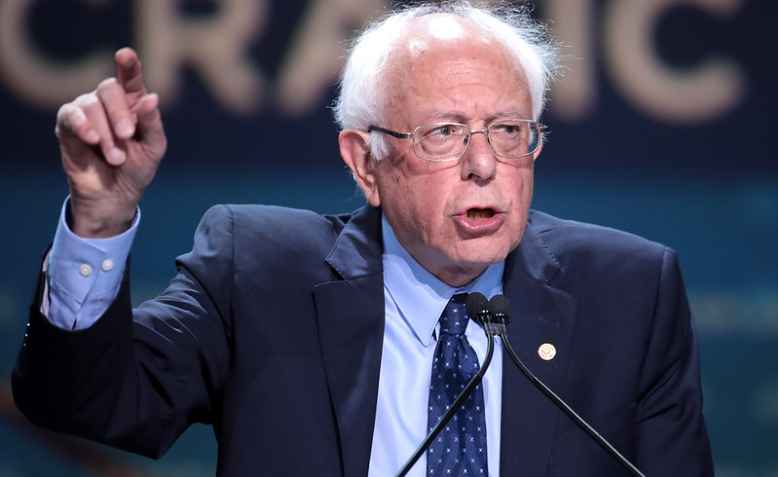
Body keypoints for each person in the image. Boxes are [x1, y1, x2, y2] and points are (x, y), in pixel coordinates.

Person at [12, 2, 713, 476]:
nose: (483, 165)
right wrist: (98, 220)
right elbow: (80, 403)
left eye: (507, 131)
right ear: (364, 163)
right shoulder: (258, 274)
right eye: (444, 133)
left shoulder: (628, 293)